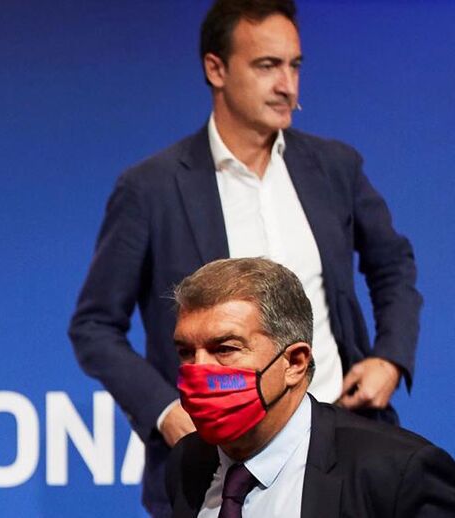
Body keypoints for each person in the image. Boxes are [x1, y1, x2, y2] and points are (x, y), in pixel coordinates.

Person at [67, 0, 421, 515]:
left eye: (294, 66)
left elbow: (394, 265)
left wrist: (389, 357)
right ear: (216, 69)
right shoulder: (151, 188)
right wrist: (166, 411)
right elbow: (94, 325)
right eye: (267, 66)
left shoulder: (335, 168)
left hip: (336, 451)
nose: (287, 86)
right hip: (213, 461)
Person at [164, 258, 455, 517]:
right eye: (186, 352)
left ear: (295, 363)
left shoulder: (398, 474)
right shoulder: (187, 461)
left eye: (225, 349)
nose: (198, 370)